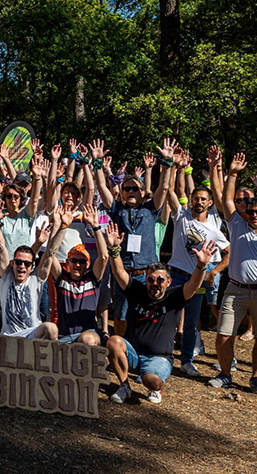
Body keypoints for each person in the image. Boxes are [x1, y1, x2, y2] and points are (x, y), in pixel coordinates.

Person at [105, 222, 216, 404]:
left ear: (168, 282)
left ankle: (155, 386)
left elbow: (194, 286)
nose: (155, 283)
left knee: (151, 381)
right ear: (146, 280)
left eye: (160, 279)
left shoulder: (175, 296)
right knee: (113, 341)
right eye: (150, 279)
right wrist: (114, 249)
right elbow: (119, 272)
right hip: (133, 353)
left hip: (159, 357)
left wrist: (201, 266)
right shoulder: (137, 290)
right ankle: (124, 386)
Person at [208, 152, 257, 394]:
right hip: (235, 289)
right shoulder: (236, 225)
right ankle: (225, 374)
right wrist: (232, 173)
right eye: (250, 212)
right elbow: (227, 200)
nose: (254, 216)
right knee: (223, 334)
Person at [89, 138, 175, 337]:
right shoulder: (117, 209)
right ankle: (120, 348)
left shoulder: (151, 209)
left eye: (135, 188)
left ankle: (141, 347)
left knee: (146, 315)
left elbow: (163, 188)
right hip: (124, 273)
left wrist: (168, 163)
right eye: (127, 189)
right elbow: (101, 185)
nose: (130, 191)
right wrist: (97, 162)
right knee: (120, 316)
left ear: (142, 192)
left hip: (147, 274)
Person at [165, 184, 230, 377]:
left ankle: (186, 361)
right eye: (196, 198)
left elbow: (229, 253)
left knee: (191, 323)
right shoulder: (181, 216)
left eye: (203, 199)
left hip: (198, 278)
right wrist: (171, 165)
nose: (199, 202)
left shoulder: (214, 229)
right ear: (191, 200)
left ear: (210, 203)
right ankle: (163, 355)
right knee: (168, 318)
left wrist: (215, 271)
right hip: (176, 275)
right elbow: (169, 191)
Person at [40, 203, 108, 345]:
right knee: (46, 330)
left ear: (88, 264)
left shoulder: (92, 279)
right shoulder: (61, 277)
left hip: (87, 335)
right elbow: (50, 253)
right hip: (63, 336)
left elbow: (103, 257)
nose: (78, 264)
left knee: (87, 339)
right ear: (68, 262)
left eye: (82, 261)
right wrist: (62, 226)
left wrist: (96, 227)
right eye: (74, 260)